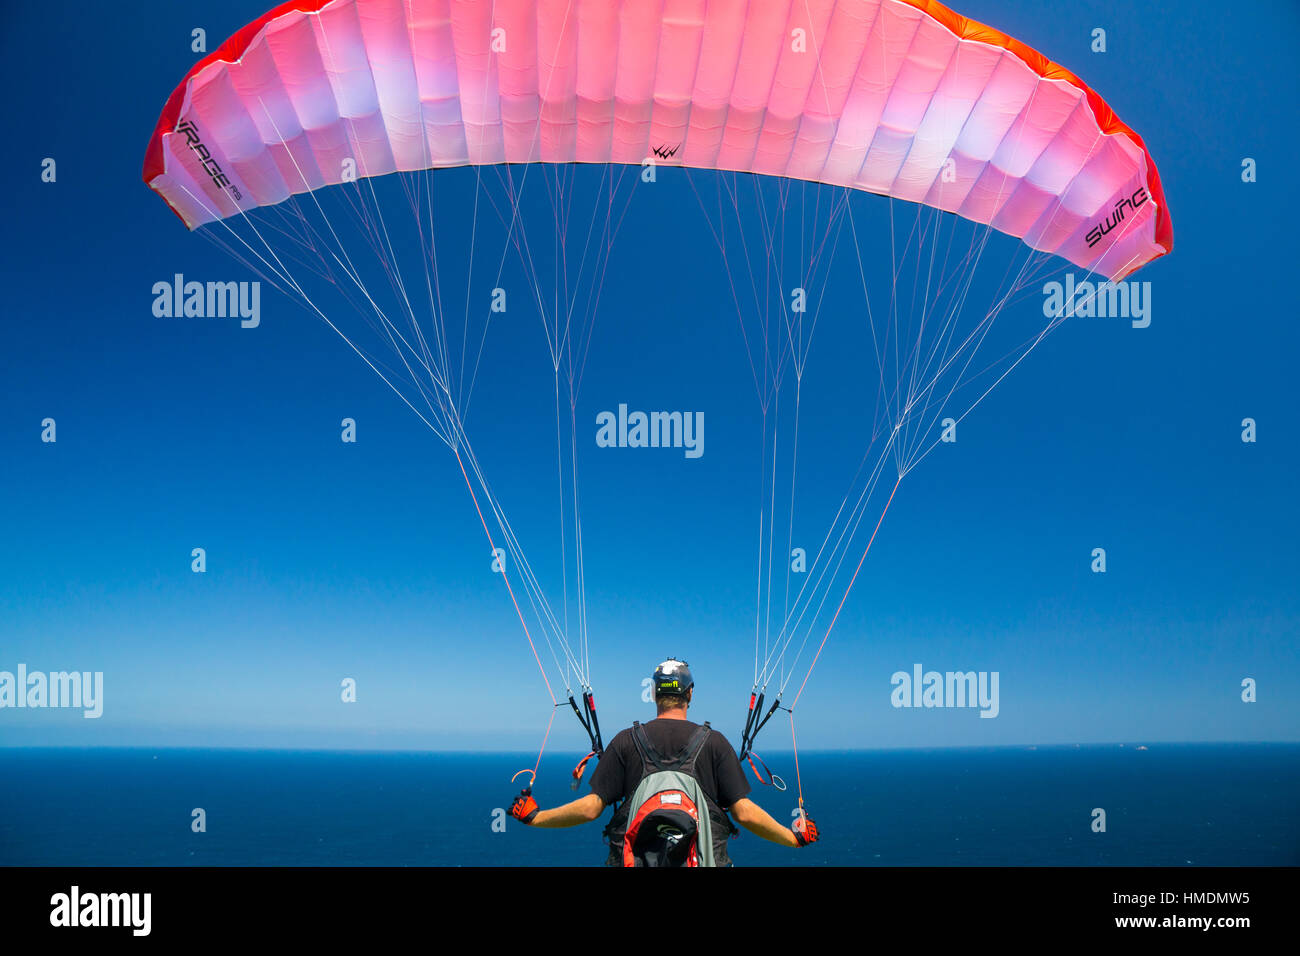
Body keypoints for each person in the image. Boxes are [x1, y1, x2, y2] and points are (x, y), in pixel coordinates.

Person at [509, 658, 819, 866]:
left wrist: (536, 816)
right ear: (690, 694)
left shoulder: (625, 742)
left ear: (655, 694)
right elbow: (745, 814)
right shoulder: (714, 744)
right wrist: (793, 838)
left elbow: (591, 808)